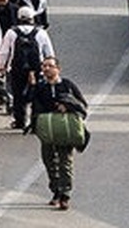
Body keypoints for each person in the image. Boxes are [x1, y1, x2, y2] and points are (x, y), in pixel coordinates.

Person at [29, 57, 88, 211]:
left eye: (50, 66)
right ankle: (55, 190)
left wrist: (67, 107)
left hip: (64, 130)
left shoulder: (67, 85)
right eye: (44, 66)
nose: (47, 69)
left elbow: (81, 105)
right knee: (49, 162)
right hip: (48, 131)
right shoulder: (41, 87)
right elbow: (32, 104)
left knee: (65, 163)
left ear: (58, 69)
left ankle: (65, 195)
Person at [0, 6, 55, 130]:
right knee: (37, 95)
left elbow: (4, 52)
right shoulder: (41, 33)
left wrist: (1, 66)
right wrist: (50, 66)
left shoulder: (12, 32)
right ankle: (35, 122)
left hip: (17, 69)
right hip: (36, 69)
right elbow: (48, 52)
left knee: (18, 95)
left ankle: (19, 120)